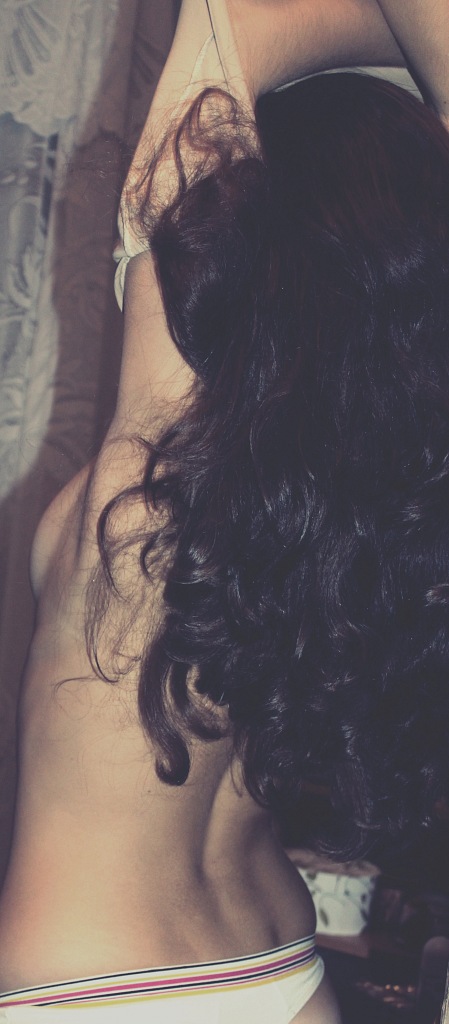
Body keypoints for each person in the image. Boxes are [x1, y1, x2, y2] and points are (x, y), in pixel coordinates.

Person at [0, 1, 448, 1021]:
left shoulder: (150, 496)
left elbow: (230, 25)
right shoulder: (336, 512)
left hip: (104, 983)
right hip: (274, 957)